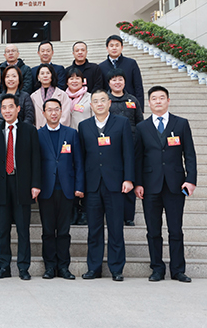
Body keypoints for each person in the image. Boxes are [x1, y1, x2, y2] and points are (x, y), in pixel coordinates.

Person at [134, 86, 196, 283]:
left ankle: (178, 270)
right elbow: (138, 158)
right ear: (149, 103)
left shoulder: (181, 124)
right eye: (154, 98)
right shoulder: (142, 127)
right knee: (153, 231)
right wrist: (138, 183)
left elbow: (190, 154)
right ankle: (157, 269)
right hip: (150, 185)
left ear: (168, 101)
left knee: (175, 230)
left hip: (175, 185)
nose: (158, 101)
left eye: (162, 98)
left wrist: (191, 180)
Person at [78, 89, 135, 281]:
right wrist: (81, 185)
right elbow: (81, 158)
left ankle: (116, 269)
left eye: (103, 100)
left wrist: (129, 179)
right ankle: (94, 268)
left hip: (116, 184)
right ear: (91, 105)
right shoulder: (84, 126)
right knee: (94, 229)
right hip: (92, 185)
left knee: (116, 228)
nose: (99, 104)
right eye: (95, 101)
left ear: (109, 103)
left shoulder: (122, 123)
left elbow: (128, 153)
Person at [0, 94, 41, 281]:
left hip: (22, 184)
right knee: (3, 229)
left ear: (18, 109)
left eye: (11, 107)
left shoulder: (29, 130)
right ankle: (4, 267)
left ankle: (23, 267)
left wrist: (35, 184)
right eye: (4, 107)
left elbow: (36, 159)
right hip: (2, 184)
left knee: (23, 229)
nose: (7, 111)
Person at [36, 98, 84, 280]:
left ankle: (64, 267)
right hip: (46, 189)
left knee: (64, 231)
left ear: (62, 111)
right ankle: (49, 267)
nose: (53, 113)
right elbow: (35, 164)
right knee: (48, 231)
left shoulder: (71, 133)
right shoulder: (38, 134)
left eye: (56, 109)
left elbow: (78, 162)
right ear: (44, 113)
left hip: (67, 189)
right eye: (49, 110)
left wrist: (79, 186)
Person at [107, 68, 144, 227]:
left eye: (120, 79)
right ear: (109, 82)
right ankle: (113, 214)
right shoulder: (105, 100)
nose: (117, 82)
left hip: (132, 146)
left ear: (125, 81)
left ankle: (129, 216)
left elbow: (140, 122)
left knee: (130, 177)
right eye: (114, 79)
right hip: (111, 147)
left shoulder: (132, 100)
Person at [64, 68, 92, 227]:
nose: (74, 81)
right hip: (67, 142)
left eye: (77, 78)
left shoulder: (90, 97)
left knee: (85, 173)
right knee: (70, 174)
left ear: (83, 81)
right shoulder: (62, 96)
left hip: (85, 141)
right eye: (71, 78)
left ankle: (84, 210)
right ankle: (73, 208)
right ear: (67, 81)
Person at [98, 34, 144, 111]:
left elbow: (138, 87)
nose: (114, 48)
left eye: (117, 45)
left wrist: (140, 108)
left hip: (129, 104)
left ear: (122, 47)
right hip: (109, 106)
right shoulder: (101, 66)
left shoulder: (131, 63)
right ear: (107, 48)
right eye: (111, 45)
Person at [31, 64, 71, 129]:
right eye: (42, 73)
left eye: (48, 73)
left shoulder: (62, 95)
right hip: (39, 131)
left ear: (52, 75)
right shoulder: (33, 96)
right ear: (38, 77)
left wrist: (53, 128)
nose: (45, 76)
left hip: (58, 130)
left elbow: (65, 117)